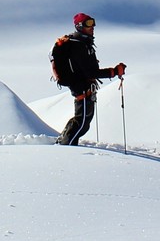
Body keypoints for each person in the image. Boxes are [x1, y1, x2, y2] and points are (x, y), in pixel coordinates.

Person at [50, 13, 126, 146]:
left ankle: (63, 142)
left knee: (82, 121)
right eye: (88, 24)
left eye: (93, 23)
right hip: (81, 87)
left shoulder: (82, 43)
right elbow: (91, 72)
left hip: (83, 86)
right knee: (82, 123)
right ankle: (66, 147)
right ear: (79, 26)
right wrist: (114, 71)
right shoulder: (79, 46)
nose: (92, 27)